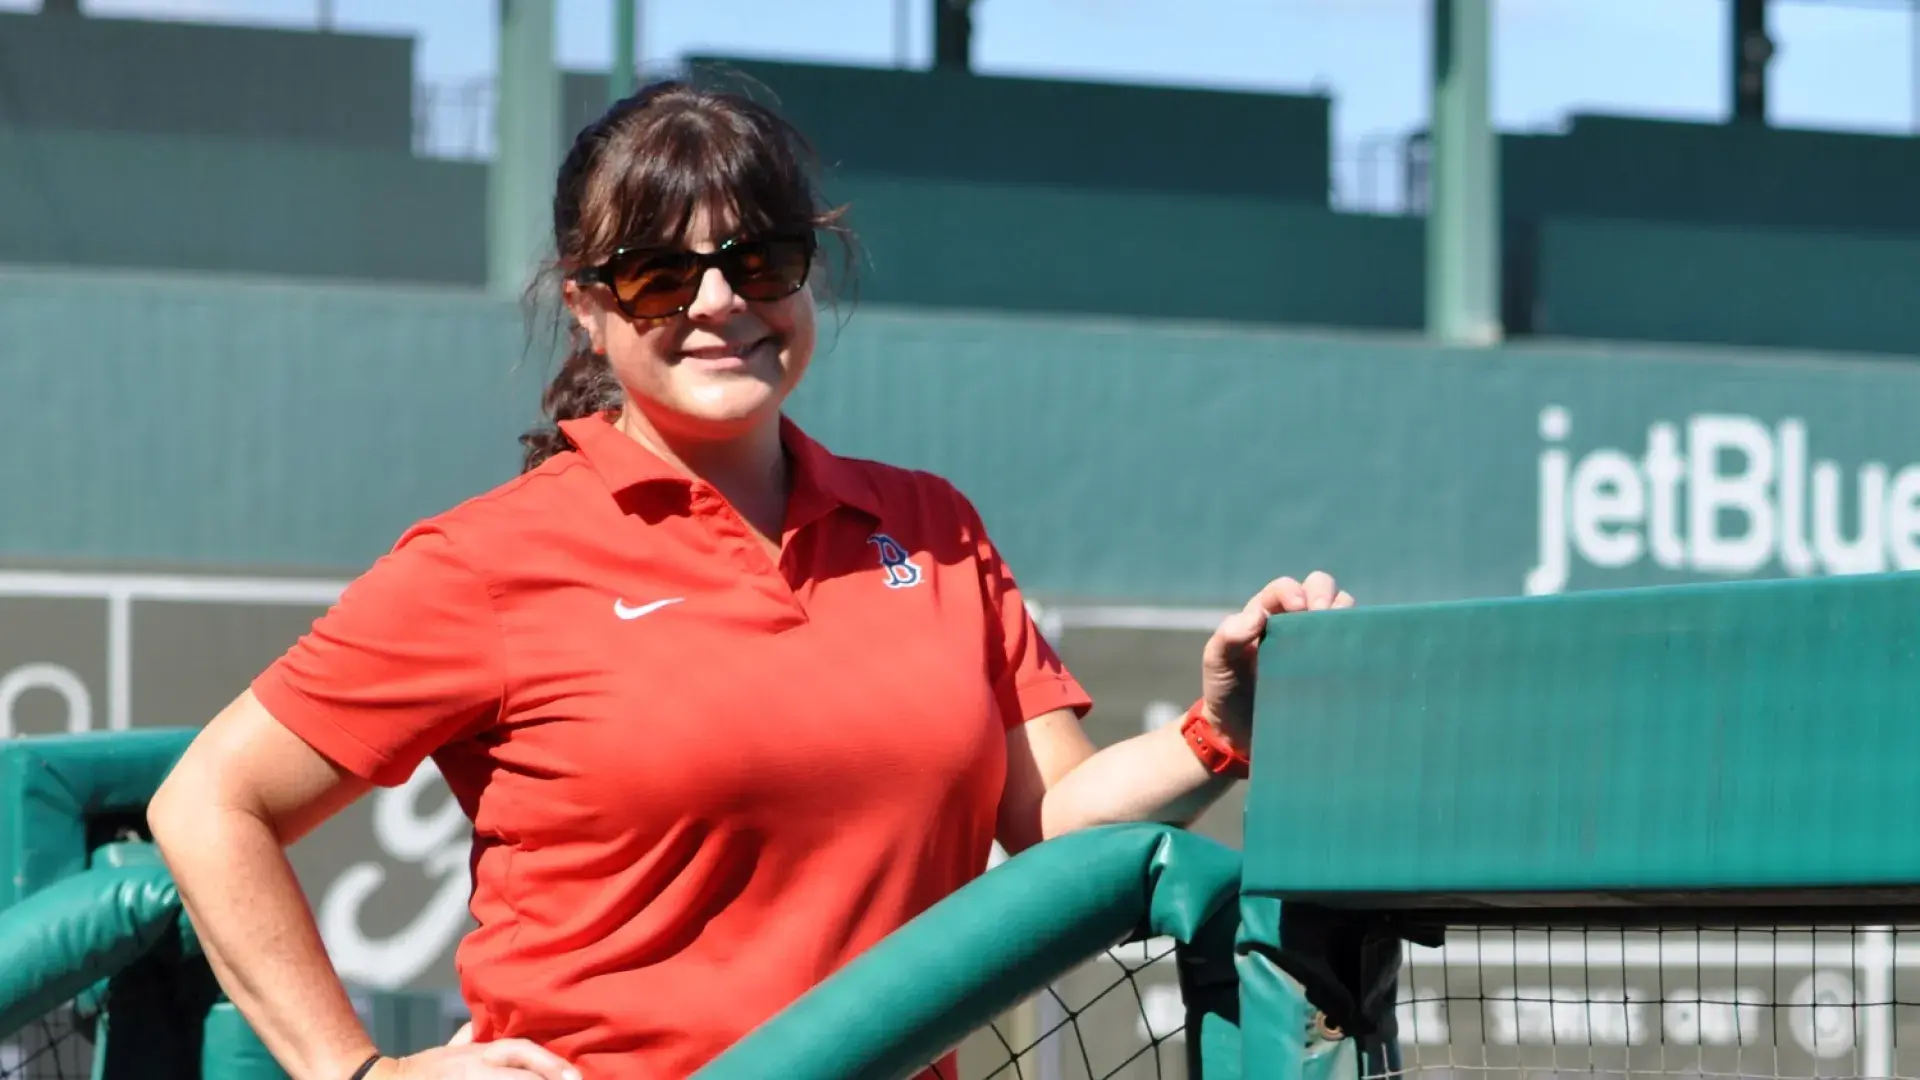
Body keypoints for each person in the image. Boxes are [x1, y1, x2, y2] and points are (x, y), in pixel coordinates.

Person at [146, 77, 1354, 1080]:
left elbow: (1054, 828)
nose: (720, 303)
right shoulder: (489, 560)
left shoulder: (928, 524)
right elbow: (207, 803)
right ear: (588, 309)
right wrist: (358, 1073)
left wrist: (1215, 731)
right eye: (659, 277)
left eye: (758, 259)